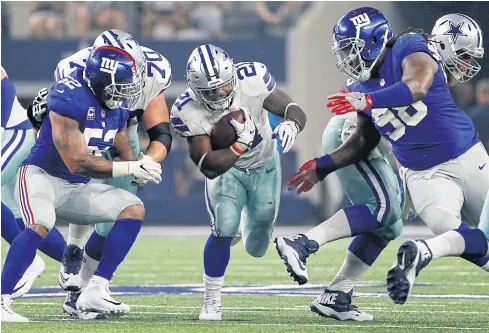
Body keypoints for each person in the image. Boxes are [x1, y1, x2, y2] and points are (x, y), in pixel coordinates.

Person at [284, 7, 489, 308]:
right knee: (447, 234)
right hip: (426, 173)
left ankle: (422, 252)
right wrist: (322, 166)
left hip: (457, 161)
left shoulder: (408, 46)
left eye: (353, 51)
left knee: (459, 238)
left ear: (375, 40)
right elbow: (363, 141)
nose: (349, 60)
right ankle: (418, 253)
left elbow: (416, 86)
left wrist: (368, 99)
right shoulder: (359, 87)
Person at [1, 46, 163, 322]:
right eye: (120, 86)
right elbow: (77, 161)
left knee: (133, 208)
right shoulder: (69, 96)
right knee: (40, 222)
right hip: (41, 177)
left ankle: (96, 288)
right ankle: (2, 301)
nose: (125, 93)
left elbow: (121, 142)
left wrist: (139, 167)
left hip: (76, 187)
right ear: (102, 81)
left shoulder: (117, 106)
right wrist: (128, 166)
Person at [170, 44, 306, 321]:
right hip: (226, 172)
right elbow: (207, 166)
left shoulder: (252, 79)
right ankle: (211, 301)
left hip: (265, 165)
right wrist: (239, 146)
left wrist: (292, 123)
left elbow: (291, 107)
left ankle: (244, 224)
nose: (222, 93)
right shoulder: (187, 110)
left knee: (256, 248)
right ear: (197, 91)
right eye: (212, 90)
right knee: (224, 228)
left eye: (225, 85)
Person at [1, 67, 66, 299]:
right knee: (21, 214)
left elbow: (2, 77)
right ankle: (79, 267)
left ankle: (30, 262)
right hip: (8, 135)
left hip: (12, 132)